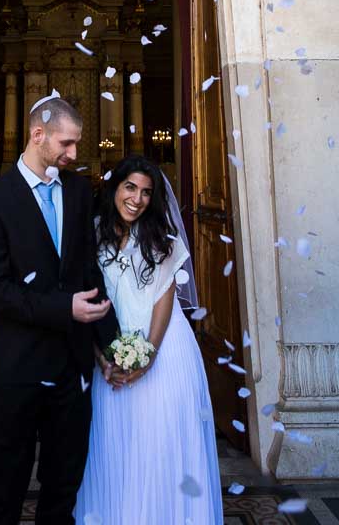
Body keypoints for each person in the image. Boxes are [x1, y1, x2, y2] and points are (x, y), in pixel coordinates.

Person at [0, 96, 119, 525]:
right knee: (4, 489)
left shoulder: (76, 191)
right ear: (38, 135)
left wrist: (110, 344)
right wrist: (62, 308)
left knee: (62, 489)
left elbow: (90, 270)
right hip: (18, 369)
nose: (74, 154)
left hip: (72, 371)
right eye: (67, 144)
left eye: (76, 144)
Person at [74, 154, 224, 525]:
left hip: (165, 351)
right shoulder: (90, 234)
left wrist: (149, 356)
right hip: (107, 354)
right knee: (114, 447)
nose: (136, 199)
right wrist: (102, 356)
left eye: (145, 192)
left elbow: (163, 299)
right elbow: (87, 294)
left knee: (162, 445)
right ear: (115, 188)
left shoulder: (163, 240)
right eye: (130, 187)